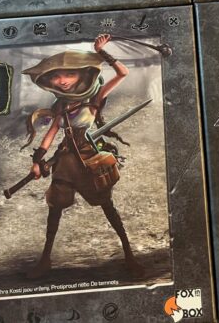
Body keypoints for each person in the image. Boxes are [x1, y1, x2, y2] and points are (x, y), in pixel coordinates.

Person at [21, 34, 142, 278]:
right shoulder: (61, 105)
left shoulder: (94, 98)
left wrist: (102, 52)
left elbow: (123, 73)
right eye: (56, 76)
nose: (62, 80)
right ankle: (45, 261)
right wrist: (38, 161)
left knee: (107, 206)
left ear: (83, 75)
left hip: (89, 161)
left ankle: (130, 256)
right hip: (65, 162)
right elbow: (51, 133)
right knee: (54, 209)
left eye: (69, 74)